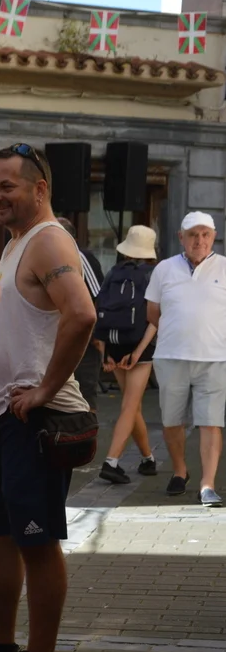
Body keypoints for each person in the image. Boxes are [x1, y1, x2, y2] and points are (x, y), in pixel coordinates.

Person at [0, 144, 96, 652]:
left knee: (36, 540)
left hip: (35, 419)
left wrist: (45, 389)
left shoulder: (48, 240)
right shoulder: (18, 243)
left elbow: (82, 314)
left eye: (6, 186)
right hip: (4, 420)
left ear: (40, 188)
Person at [145, 211, 226, 507]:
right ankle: (180, 471)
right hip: (171, 356)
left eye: (205, 234)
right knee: (171, 421)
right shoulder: (164, 269)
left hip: (215, 358)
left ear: (213, 237)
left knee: (211, 422)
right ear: (181, 237)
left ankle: (208, 484)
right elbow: (152, 313)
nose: (199, 240)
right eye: (193, 234)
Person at [95, 225, 159, 484]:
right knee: (130, 406)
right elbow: (154, 320)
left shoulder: (113, 272)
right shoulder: (153, 275)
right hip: (139, 344)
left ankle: (147, 459)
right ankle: (111, 461)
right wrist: (139, 352)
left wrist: (105, 353)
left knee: (133, 406)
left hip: (114, 344)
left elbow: (99, 312)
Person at [56, 217, 104, 413]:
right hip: (57, 336)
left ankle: (88, 431)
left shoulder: (81, 257)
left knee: (84, 395)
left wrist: (95, 335)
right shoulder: (47, 259)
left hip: (82, 337)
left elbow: (98, 297)